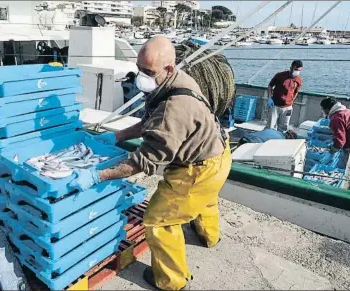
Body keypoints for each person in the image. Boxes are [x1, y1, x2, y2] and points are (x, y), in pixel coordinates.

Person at [70, 36, 232, 290]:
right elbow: (150, 121)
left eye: (148, 72)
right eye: (139, 69)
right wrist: (118, 135)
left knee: (159, 220)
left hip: (197, 170)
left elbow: (141, 162)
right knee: (205, 199)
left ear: (168, 68)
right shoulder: (174, 82)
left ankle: (172, 281)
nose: (141, 77)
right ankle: (209, 237)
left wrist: (97, 176)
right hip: (219, 155)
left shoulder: (173, 108)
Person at [320, 97, 350, 168]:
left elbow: (340, 142)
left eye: (323, 109)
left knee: (347, 166)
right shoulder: (346, 111)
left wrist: (331, 152)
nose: (323, 111)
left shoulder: (336, 118)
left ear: (327, 109)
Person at [267, 60, 303, 132]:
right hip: (275, 105)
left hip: (288, 107)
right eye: (296, 69)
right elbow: (270, 86)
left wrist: (292, 101)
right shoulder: (280, 75)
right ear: (291, 68)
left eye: (299, 70)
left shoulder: (298, 80)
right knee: (270, 127)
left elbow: (296, 92)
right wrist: (270, 97)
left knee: (283, 128)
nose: (297, 71)